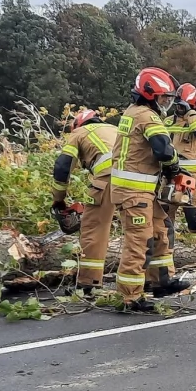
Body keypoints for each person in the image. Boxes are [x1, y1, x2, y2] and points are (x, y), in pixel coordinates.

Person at [111, 67, 190, 310]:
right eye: (163, 97)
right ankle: (130, 296)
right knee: (139, 242)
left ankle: (160, 280)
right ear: (149, 94)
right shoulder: (147, 116)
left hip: (142, 191)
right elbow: (164, 149)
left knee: (162, 229)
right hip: (134, 192)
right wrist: (175, 170)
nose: (167, 102)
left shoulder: (134, 112)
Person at [51, 108, 119, 296]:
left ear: (79, 124)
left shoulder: (79, 133)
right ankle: (154, 278)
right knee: (139, 228)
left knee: (93, 228)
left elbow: (62, 167)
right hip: (138, 179)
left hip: (108, 177)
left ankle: (88, 283)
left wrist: (58, 200)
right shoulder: (114, 129)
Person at [163, 83, 196, 256]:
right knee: (164, 214)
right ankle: (164, 252)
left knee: (195, 217)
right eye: (177, 104)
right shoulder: (168, 121)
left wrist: (189, 112)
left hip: (192, 178)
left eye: (181, 104)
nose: (178, 108)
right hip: (171, 176)